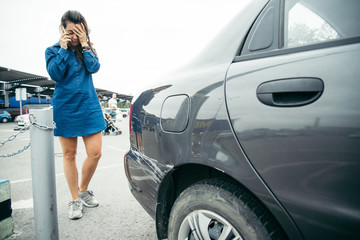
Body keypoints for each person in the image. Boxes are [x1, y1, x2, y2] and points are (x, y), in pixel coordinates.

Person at [45, 10, 106, 220]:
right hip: (66, 107)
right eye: (70, 32)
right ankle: (74, 200)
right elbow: (55, 74)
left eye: (78, 32)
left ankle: (83, 189)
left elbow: (94, 67)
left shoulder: (87, 49)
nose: (73, 37)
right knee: (69, 155)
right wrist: (63, 49)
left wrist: (85, 44)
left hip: (89, 106)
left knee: (95, 152)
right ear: (62, 30)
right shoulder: (52, 50)